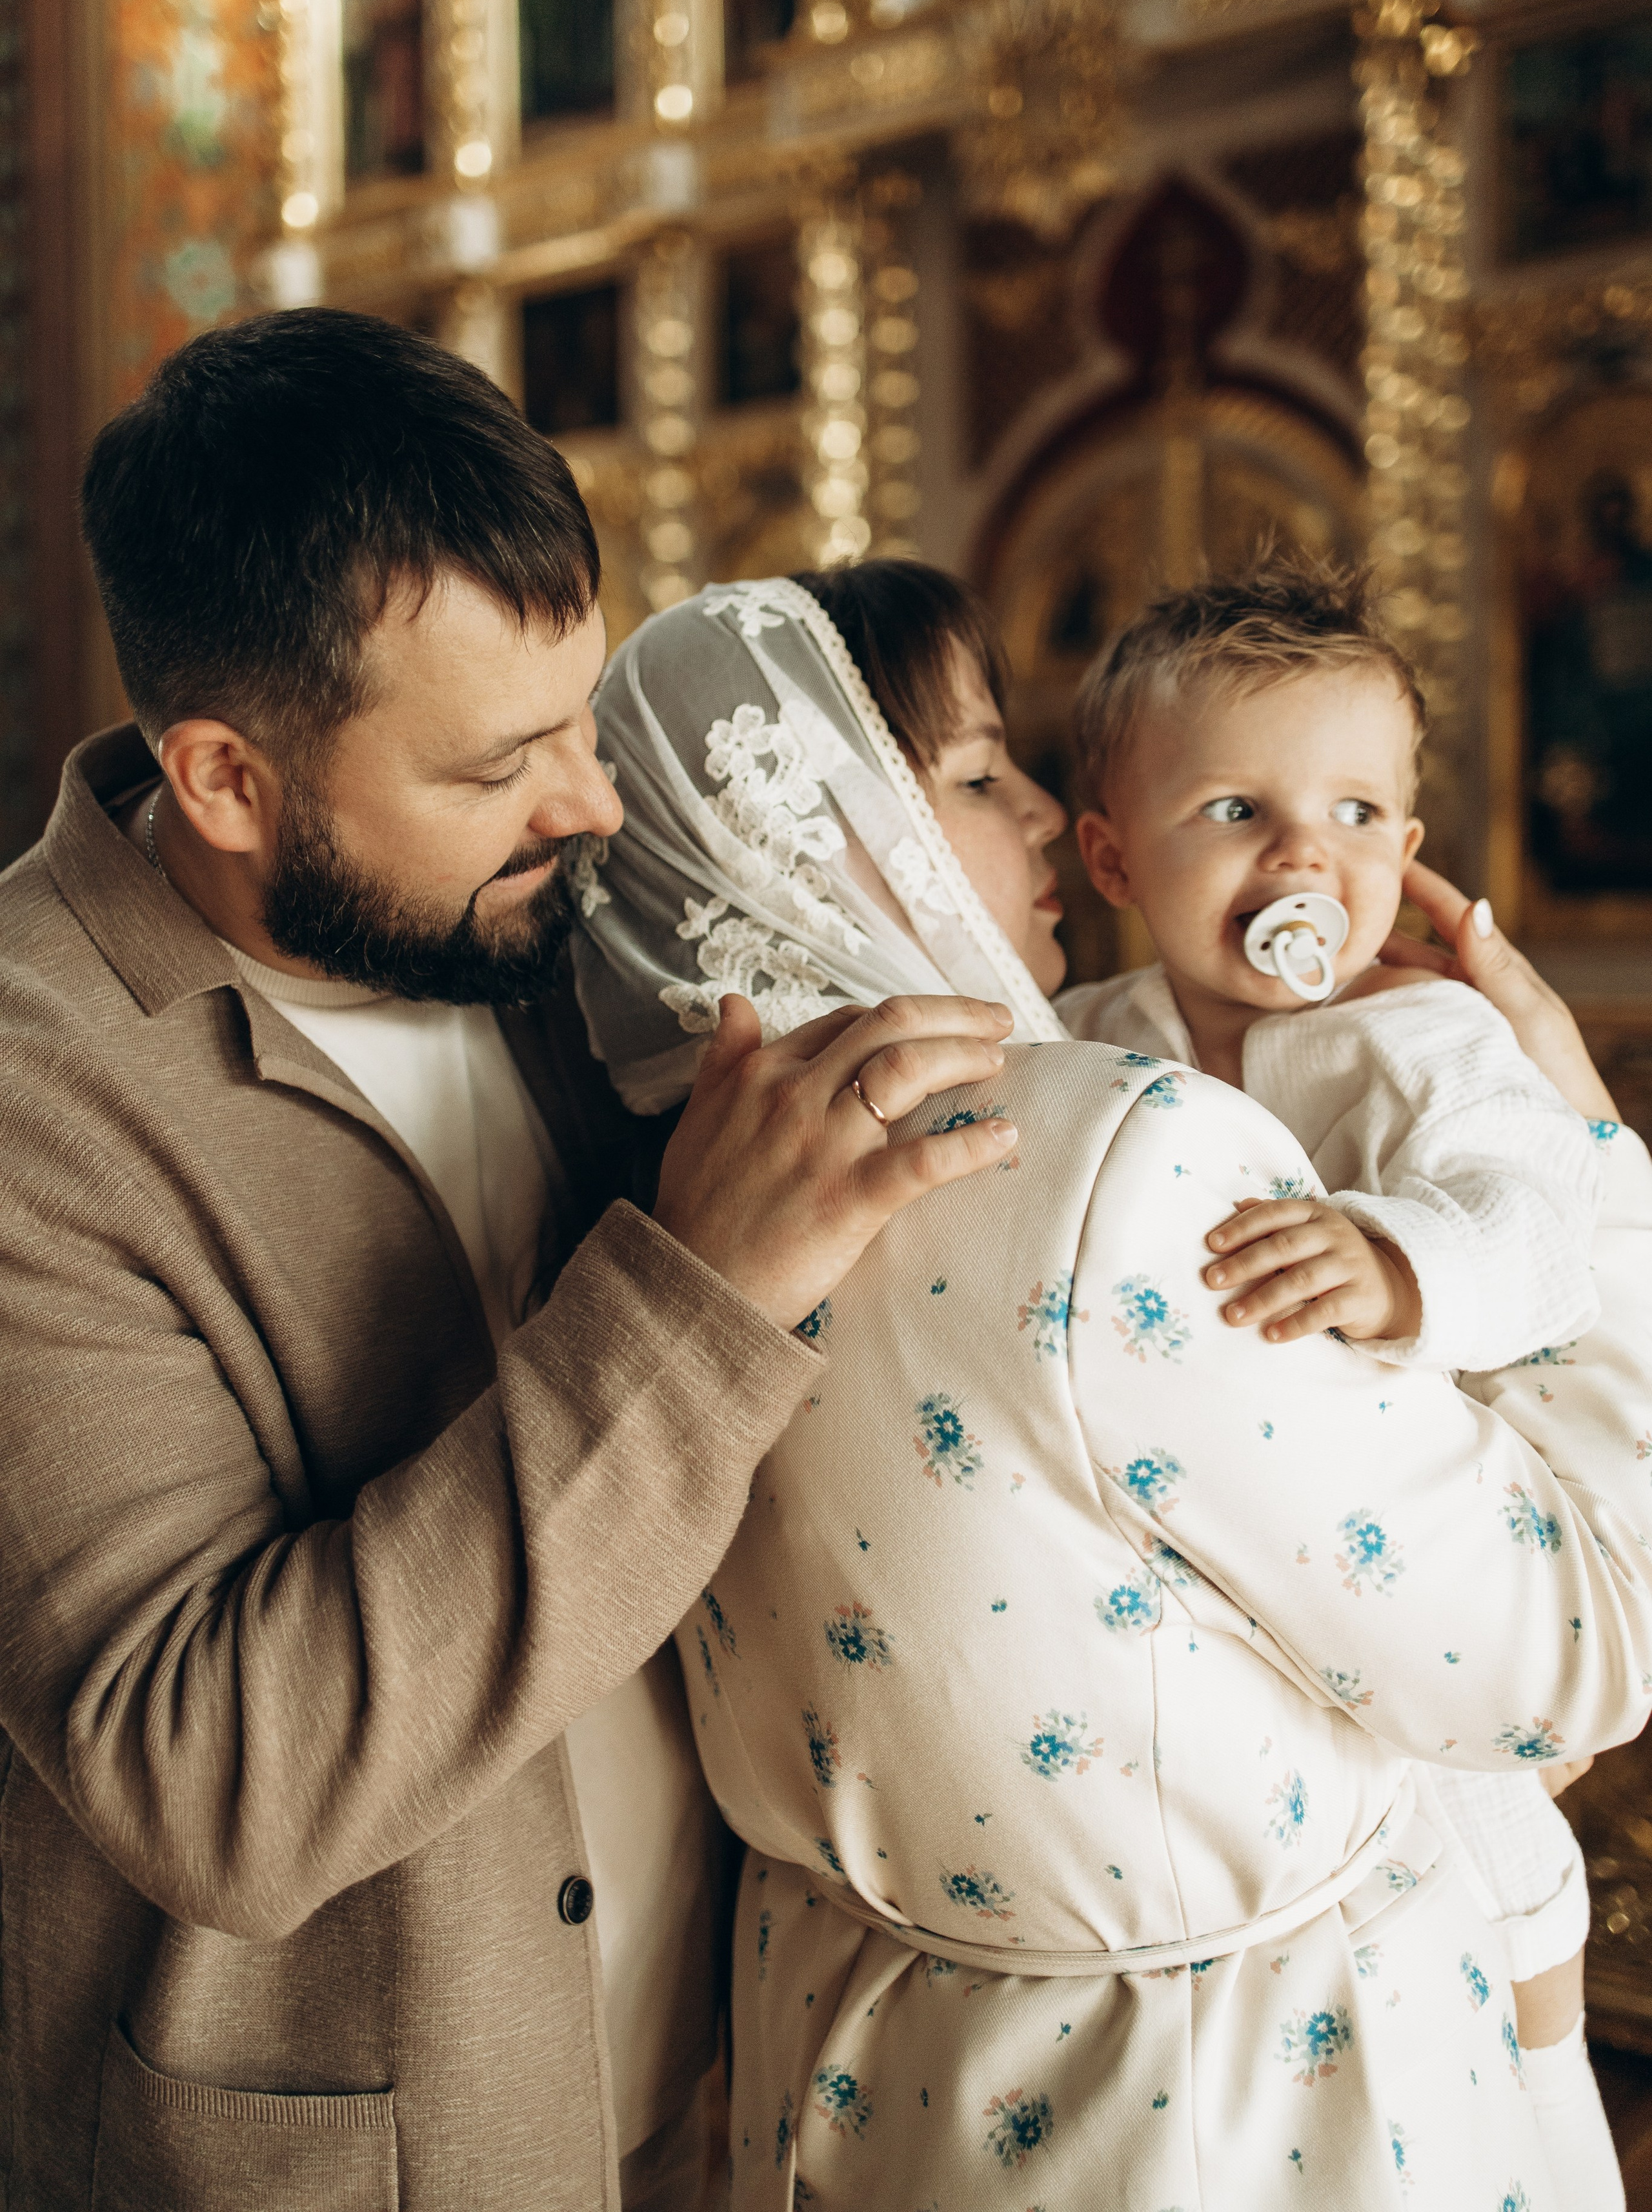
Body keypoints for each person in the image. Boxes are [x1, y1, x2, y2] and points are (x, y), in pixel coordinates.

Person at [0, 314, 1020, 2212]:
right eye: (502, 762)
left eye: (587, 713)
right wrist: (694, 1302)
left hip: (750, 2094)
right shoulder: (30, 1101)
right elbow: (221, 1774)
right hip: (362, 2163)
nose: (599, 805)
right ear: (226, 779)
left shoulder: (562, 924)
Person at [571, 567, 1652, 2211]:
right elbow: (1569, 1657)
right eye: (978, 772)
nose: (1039, 818)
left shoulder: (677, 1171)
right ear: (833, 825)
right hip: (1215, 2106)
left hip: (858, 2074)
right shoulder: (1116, 1147)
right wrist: (1602, 1161)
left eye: (1360, 808)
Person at [1058, 551, 1650, 2206]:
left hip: (1425, 1560)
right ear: (1112, 854)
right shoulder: (1088, 1036)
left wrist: (1402, 1265)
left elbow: (1544, 1231)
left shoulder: (1430, 1045)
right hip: (1217, 1589)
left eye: (1355, 812)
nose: (1303, 854)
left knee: (1491, 1870)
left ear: (1405, 847)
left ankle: (1535, 2120)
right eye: (1235, 811)